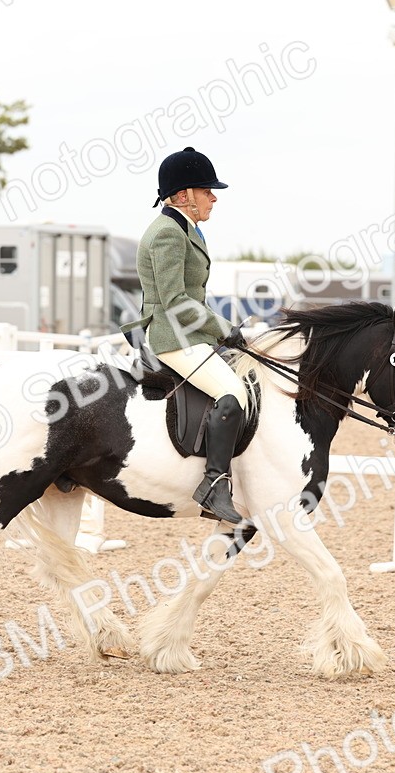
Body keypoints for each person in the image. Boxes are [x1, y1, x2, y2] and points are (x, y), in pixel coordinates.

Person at [121, 147, 249, 526]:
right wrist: (225, 330)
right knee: (234, 393)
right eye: (206, 190)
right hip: (173, 337)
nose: (213, 196)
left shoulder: (186, 230)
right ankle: (213, 485)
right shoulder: (166, 234)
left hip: (192, 335)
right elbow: (176, 301)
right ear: (182, 196)